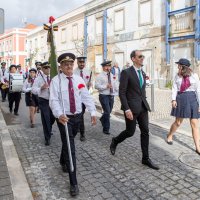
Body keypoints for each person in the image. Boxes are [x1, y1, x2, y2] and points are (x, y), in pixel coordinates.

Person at [49, 53, 96, 197]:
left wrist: (93, 112)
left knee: (68, 140)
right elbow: (53, 100)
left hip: (77, 117)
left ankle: (62, 160)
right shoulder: (56, 81)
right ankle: (73, 182)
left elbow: (85, 95)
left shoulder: (78, 79)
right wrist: (59, 114)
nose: (69, 66)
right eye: (65, 64)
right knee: (71, 149)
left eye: (71, 64)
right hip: (64, 119)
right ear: (60, 67)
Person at [110, 50, 159, 170]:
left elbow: (141, 91)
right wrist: (126, 109)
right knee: (130, 132)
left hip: (143, 107)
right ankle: (115, 140)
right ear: (133, 58)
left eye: (143, 56)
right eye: (140, 56)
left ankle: (145, 158)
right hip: (131, 108)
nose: (142, 58)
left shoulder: (142, 72)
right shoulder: (126, 72)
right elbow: (122, 93)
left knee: (145, 131)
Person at [166, 58, 200, 154]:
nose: (178, 67)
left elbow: (198, 90)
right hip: (181, 98)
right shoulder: (177, 76)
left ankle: (198, 147)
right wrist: (173, 99)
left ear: (184, 67)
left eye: (179, 65)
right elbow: (174, 88)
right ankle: (170, 135)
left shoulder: (194, 76)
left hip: (193, 99)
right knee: (178, 122)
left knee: (195, 124)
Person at [32, 62, 55, 145]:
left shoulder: (54, 77)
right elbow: (33, 90)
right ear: (42, 69)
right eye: (45, 68)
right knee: (46, 119)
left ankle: (49, 128)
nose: (47, 69)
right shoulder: (38, 78)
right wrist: (41, 88)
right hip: (44, 100)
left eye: (49, 67)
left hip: (53, 100)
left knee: (52, 118)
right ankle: (47, 138)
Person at [95, 60, 119, 134]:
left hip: (111, 95)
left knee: (109, 111)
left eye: (109, 66)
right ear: (103, 67)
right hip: (103, 95)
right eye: (107, 66)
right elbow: (96, 86)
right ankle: (106, 129)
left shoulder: (112, 75)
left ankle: (102, 119)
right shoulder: (99, 76)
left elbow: (116, 84)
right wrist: (106, 86)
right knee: (107, 112)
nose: (108, 67)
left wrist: (119, 90)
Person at [74, 56, 92, 141]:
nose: (82, 64)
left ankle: (77, 125)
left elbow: (90, 81)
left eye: (83, 62)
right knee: (80, 115)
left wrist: (90, 84)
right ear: (77, 63)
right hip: (77, 97)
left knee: (81, 113)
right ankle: (82, 133)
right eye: (80, 62)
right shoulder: (74, 72)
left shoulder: (88, 71)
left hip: (85, 96)